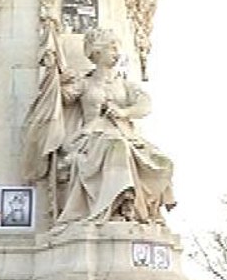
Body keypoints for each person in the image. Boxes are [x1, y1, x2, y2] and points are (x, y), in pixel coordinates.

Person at [51, 29, 176, 224]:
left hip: (125, 134)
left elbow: (145, 105)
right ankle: (120, 204)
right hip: (91, 137)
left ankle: (144, 210)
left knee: (162, 161)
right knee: (117, 146)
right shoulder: (85, 83)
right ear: (97, 51)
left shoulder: (124, 85)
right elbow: (59, 98)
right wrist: (55, 78)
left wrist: (124, 112)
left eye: (117, 48)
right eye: (112, 48)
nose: (117, 53)